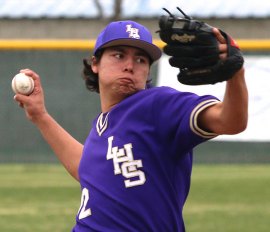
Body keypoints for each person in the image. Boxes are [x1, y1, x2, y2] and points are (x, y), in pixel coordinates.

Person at [14, 20, 248, 231]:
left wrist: (235, 74)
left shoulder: (158, 105)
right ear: (95, 63)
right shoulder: (102, 125)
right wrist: (40, 115)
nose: (130, 65)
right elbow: (87, 168)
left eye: (140, 59)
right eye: (119, 55)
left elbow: (231, 121)